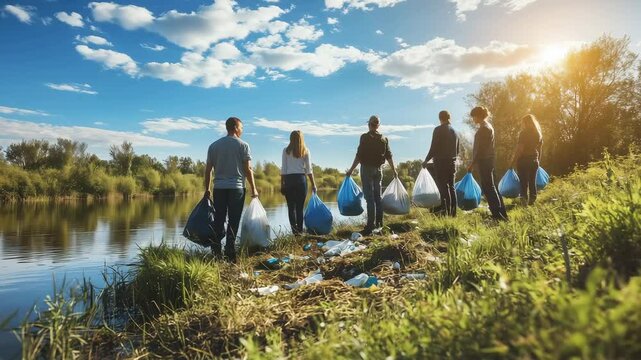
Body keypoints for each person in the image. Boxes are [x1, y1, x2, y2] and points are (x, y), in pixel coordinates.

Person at [204, 117, 259, 262]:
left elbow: (208, 170)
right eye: (241, 127)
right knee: (233, 221)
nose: (242, 130)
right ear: (235, 127)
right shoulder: (243, 145)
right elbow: (248, 169)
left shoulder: (214, 146)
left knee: (218, 220)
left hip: (219, 189)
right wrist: (254, 188)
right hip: (236, 189)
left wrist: (207, 189)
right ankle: (230, 252)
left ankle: (216, 252)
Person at [346, 115, 398, 235]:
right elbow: (389, 155)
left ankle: (370, 226)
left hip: (367, 169)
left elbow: (359, 156)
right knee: (377, 197)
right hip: (378, 170)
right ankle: (379, 224)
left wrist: (351, 170)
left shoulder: (364, 137)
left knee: (369, 198)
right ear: (378, 125)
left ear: (369, 124)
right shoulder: (384, 139)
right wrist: (394, 170)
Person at [467, 106, 508, 221]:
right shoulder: (488, 126)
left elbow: (480, 149)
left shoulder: (484, 128)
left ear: (478, 116)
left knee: (488, 188)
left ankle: (497, 215)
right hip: (488, 160)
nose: (473, 119)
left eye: (473, 117)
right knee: (492, 187)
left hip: (484, 161)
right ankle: (502, 213)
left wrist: (472, 164)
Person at [423, 110, 460, 216]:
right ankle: (453, 213)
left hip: (440, 162)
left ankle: (446, 211)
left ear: (440, 118)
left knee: (443, 187)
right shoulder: (455, 132)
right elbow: (457, 150)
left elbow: (433, 147)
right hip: (452, 162)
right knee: (452, 187)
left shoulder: (438, 130)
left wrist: (426, 160)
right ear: (449, 118)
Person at [281, 130, 317, 235]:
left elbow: (283, 169)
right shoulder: (305, 150)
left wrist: (282, 183)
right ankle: (300, 232)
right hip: (301, 180)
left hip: (289, 180)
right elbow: (309, 170)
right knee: (300, 208)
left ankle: (294, 232)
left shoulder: (285, 151)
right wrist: (314, 184)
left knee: (291, 208)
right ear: (302, 138)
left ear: (290, 138)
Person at [510, 114, 543, 206]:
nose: (522, 125)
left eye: (523, 123)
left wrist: (512, 162)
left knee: (523, 183)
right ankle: (532, 202)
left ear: (525, 123)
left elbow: (520, 149)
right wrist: (538, 160)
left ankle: (524, 204)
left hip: (524, 161)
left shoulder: (523, 133)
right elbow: (540, 149)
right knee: (532, 182)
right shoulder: (538, 133)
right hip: (534, 160)